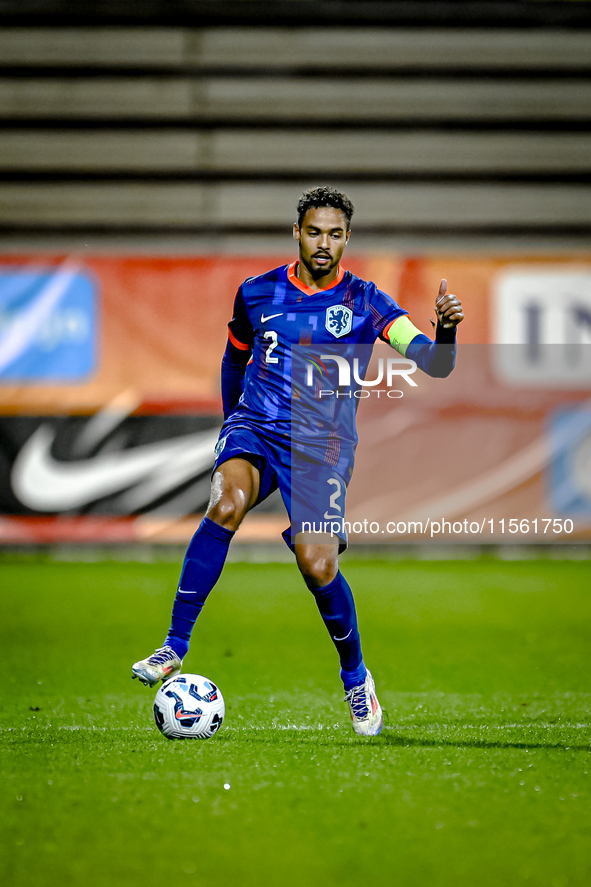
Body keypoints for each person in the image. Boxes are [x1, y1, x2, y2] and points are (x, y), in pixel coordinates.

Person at [132, 186, 464, 736]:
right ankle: (174, 646)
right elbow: (235, 354)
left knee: (317, 565)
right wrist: (231, 426)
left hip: (321, 447)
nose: (324, 243)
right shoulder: (257, 292)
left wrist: (447, 330)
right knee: (225, 503)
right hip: (256, 427)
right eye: (315, 232)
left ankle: (356, 677)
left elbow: (435, 364)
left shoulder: (367, 301)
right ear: (297, 233)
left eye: (335, 234)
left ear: (347, 238)